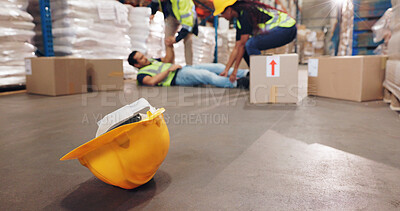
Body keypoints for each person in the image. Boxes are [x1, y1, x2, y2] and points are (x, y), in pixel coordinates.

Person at [213, 0, 297, 82]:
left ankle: (261, 78)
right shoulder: (240, 21)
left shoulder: (246, 13)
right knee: (247, 46)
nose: (222, 16)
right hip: (285, 29)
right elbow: (237, 47)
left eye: (222, 13)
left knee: (250, 44)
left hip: (287, 28)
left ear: (229, 9)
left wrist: (235, 71)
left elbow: (243, 45)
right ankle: (257, 74)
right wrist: (227, 70)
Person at [127, 41, 249, 88]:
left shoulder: (152, 61)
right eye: (141, 59)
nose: (145, 58)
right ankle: (237, 83)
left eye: (143, 55)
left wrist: (169, 46)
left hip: (183, 69)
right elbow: (151, 82)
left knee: (217, 66)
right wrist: (169, 70)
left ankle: (246, 73)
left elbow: (167, 59)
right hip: (177, 77)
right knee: (206, 75)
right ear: (137, 65)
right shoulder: (141, 75)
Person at [149, 0, 198, 65]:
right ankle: (170, 66)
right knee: (167, 40)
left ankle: (189, 66)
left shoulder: (183, 2)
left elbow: (187, 25)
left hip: (187, 18)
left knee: (188, 40)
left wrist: (176, 39)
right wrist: (153, 13)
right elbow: (155, 2)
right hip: (171, 14)